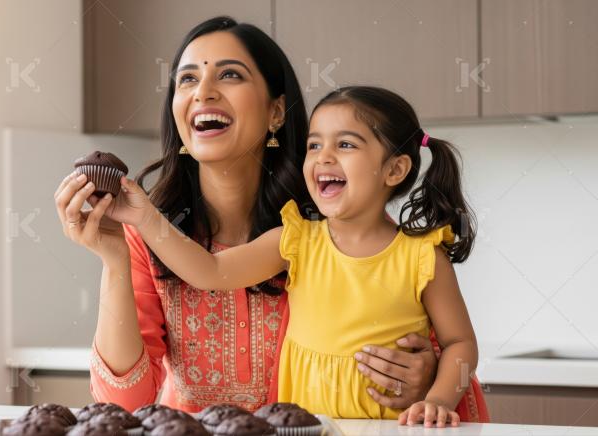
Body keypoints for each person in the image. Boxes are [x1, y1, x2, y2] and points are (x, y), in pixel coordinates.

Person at [54, 17, 488, 424]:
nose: (202, 92)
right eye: (187, 79)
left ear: (277, 111)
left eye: (229, 74)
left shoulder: (330, 225)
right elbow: (121, 409)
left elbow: (438, 342)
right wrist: (114, 261)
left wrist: (424, 377)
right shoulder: (152, 234)